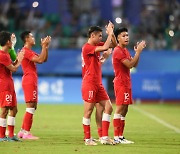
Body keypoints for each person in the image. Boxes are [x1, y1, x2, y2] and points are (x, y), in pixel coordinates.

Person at [81, 21, 117, 146]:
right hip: (90, 83)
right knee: (89, 111)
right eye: (99, 36)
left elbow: (112, 44)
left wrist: (111, 34)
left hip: (98, 83)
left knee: (109, 107)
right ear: (92, 36)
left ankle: (104, 137)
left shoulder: (95, 47)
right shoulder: (87, 47)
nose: (101, 38)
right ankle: (87, 139)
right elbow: (105, 47)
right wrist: (110, 33)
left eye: (102, 36)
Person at [112, 27, 146, 144]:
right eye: (123, 36)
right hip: (121, 82)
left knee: (125, 109)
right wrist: (138, 52)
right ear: (118, 38)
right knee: (120, 108)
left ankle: (121, 136)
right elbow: (130, 64)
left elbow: (134, 65)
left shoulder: (125, 50)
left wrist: (138, 53)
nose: (126, 37)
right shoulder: (117, 51)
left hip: (126, 82)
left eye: (127, 35)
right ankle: (116, 137)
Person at [17, 31, 51, 139]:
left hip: (31, 80)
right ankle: (26, 132)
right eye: (31, 36)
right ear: (27, 39)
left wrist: (45, 47)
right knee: (30, 106)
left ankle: (22, 131)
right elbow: (40, 59)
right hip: (29, 80)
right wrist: (44, 46)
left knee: (33, 106)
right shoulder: (25, 51)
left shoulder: (28, 51)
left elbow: (44, 59)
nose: (33, 38)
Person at [0, 31, 24, 142]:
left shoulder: (6, 54)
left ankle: (10, 135)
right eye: (11, 40)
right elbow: (14, 69)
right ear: (8, 42)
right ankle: (1, 136)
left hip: (9, 83)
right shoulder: (2, 55)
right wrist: (20, 59)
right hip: (4, 85)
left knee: (14, 110)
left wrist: (18, 59)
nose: (12, 42)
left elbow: (13, 65)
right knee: (4, 110)